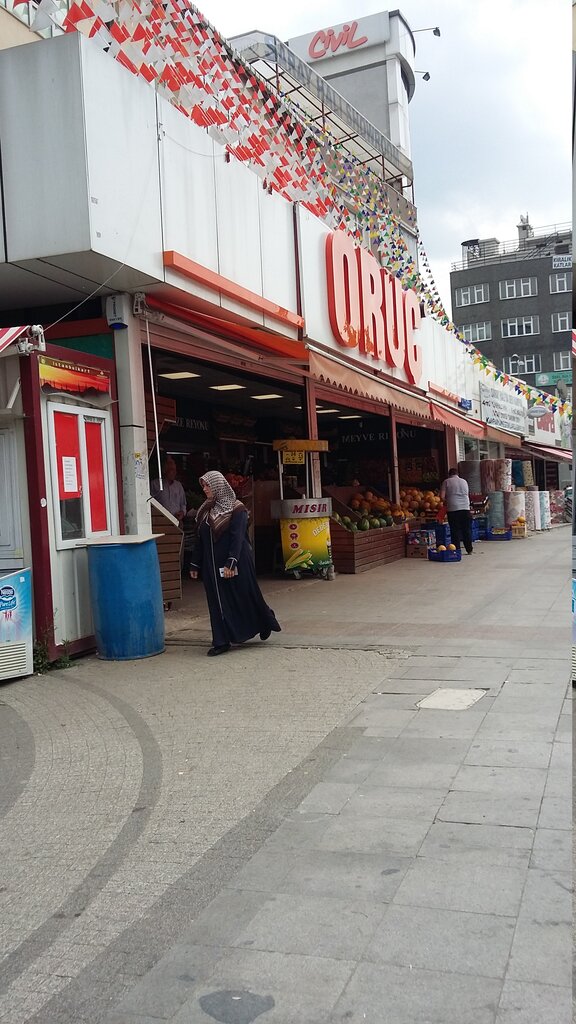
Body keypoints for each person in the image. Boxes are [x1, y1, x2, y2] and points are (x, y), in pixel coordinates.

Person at [189, 471, 281, 656]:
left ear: (218, 486)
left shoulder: (237, 509)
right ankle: (221, 641)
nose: (205, 489)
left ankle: (265, 621)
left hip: (236, 562)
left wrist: (231, 562)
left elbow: (237, 538)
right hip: (211, 566)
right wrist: (195, 564)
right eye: (203, 486)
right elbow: (200, 539)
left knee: (245, 597)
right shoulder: (205, 511)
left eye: (208, 485)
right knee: (217, 602)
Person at [440, 467, 473, 554]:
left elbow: (442, 496)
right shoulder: (464, 481)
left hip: (453, 508)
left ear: (449, 474)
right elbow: (467, 494)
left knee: (455, 530)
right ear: (457, 474)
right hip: (465, 508)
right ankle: (469, 549)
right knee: (466, 529)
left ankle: (456, 550)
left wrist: (446, 502)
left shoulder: (446, 481)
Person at [151, 456, 187, 522]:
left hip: (176, 521)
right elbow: (150, 504)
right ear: (164, 470)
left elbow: (183, 504)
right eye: (171, 470)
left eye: (174, 470)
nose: (174, 472)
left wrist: (182, 513)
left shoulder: (178, 486)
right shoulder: (155, 484)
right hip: (160, 521)